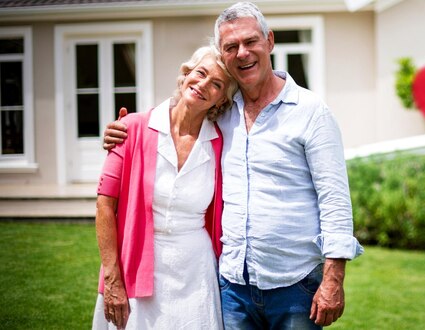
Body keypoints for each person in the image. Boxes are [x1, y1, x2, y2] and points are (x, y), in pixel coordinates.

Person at [103, 2, 363, 329]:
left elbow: (335, 200)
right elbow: (182, 111)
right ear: (223, 54)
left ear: (269, 41)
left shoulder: (311, 112)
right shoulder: (223, 111)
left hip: (295, 286)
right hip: (232, 288)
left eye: (250, 41)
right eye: (231, 46)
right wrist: (127, 129)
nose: (242, 52)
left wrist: (333, 279)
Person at [93, 45, 237, 329]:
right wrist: (112, 277)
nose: (203, 84)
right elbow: (104, 206)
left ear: (221, 100)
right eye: (200, 73)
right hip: (136, 264)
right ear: (185, 75)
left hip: (196, 275)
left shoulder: (222, 143)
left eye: (217, 84)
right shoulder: (131, 128)